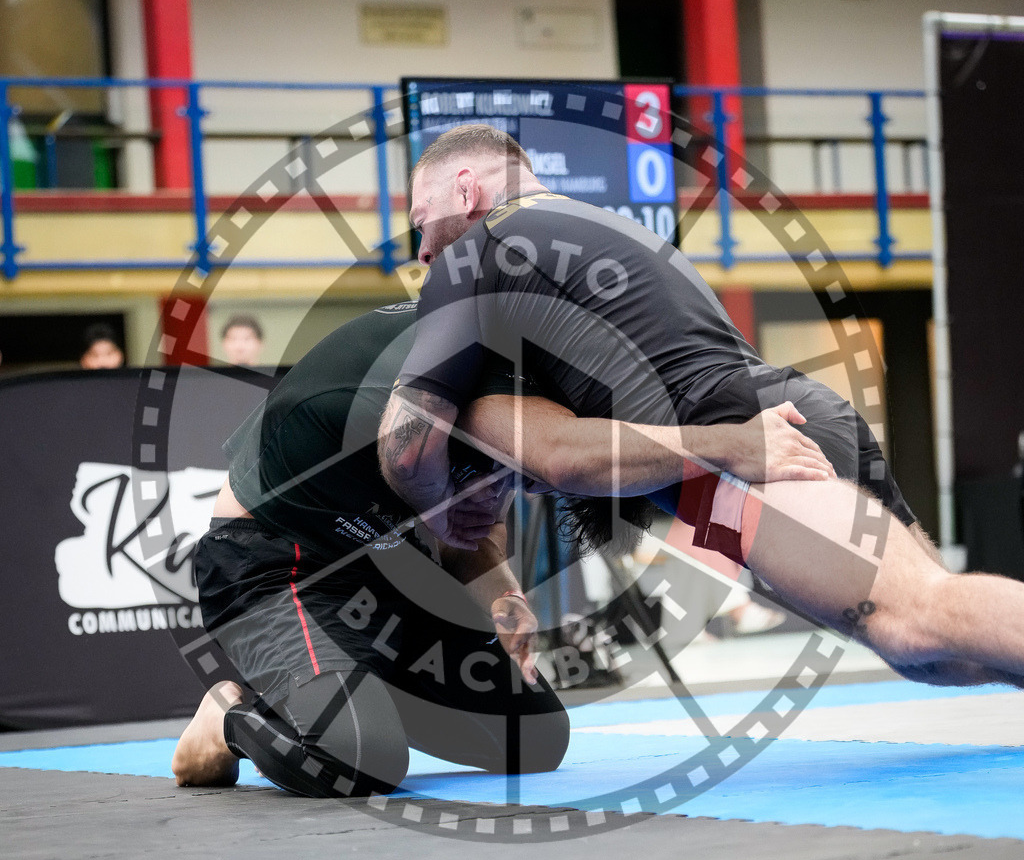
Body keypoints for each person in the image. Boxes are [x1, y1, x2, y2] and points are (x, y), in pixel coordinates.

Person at [379, 122, 1024, 689]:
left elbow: (406, 447)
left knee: (917, 621)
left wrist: (444, 513)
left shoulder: (478, 250)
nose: (423, 254)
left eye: (421, 225)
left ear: (466, 191)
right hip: (788, 419)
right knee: (931, 653)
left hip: (754, 442)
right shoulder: (591, 232)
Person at [173, 303, 833, 795]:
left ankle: (347, 689)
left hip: (370, 572)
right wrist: (731, 443)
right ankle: (231, 714)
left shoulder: (509, 382)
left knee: (536, 736)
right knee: (360, 758)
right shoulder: (420, 385)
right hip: (267, 565)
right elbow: (550, 461)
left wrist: (505, 601)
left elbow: (470, 514)